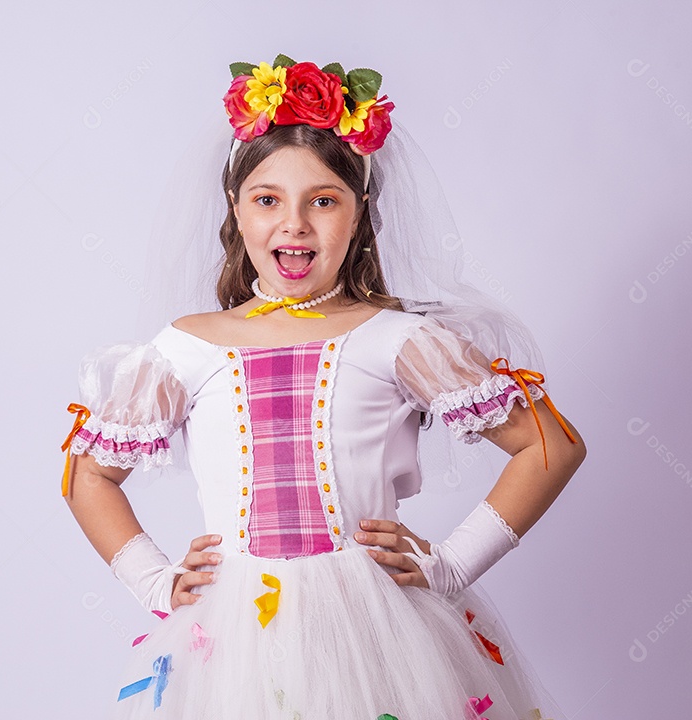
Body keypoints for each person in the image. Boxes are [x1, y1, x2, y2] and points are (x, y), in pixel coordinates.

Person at [60, 55, 587, 719]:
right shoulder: (187, 348)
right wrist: (155, 582)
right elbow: (89, 475)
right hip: (233, 644)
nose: (295, 224)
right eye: (268, 199)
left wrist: (450, 564)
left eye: (324, 200)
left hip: (378, 634)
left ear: (360, 212)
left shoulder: (397, 340)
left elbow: (552, 447)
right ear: (237, 209)